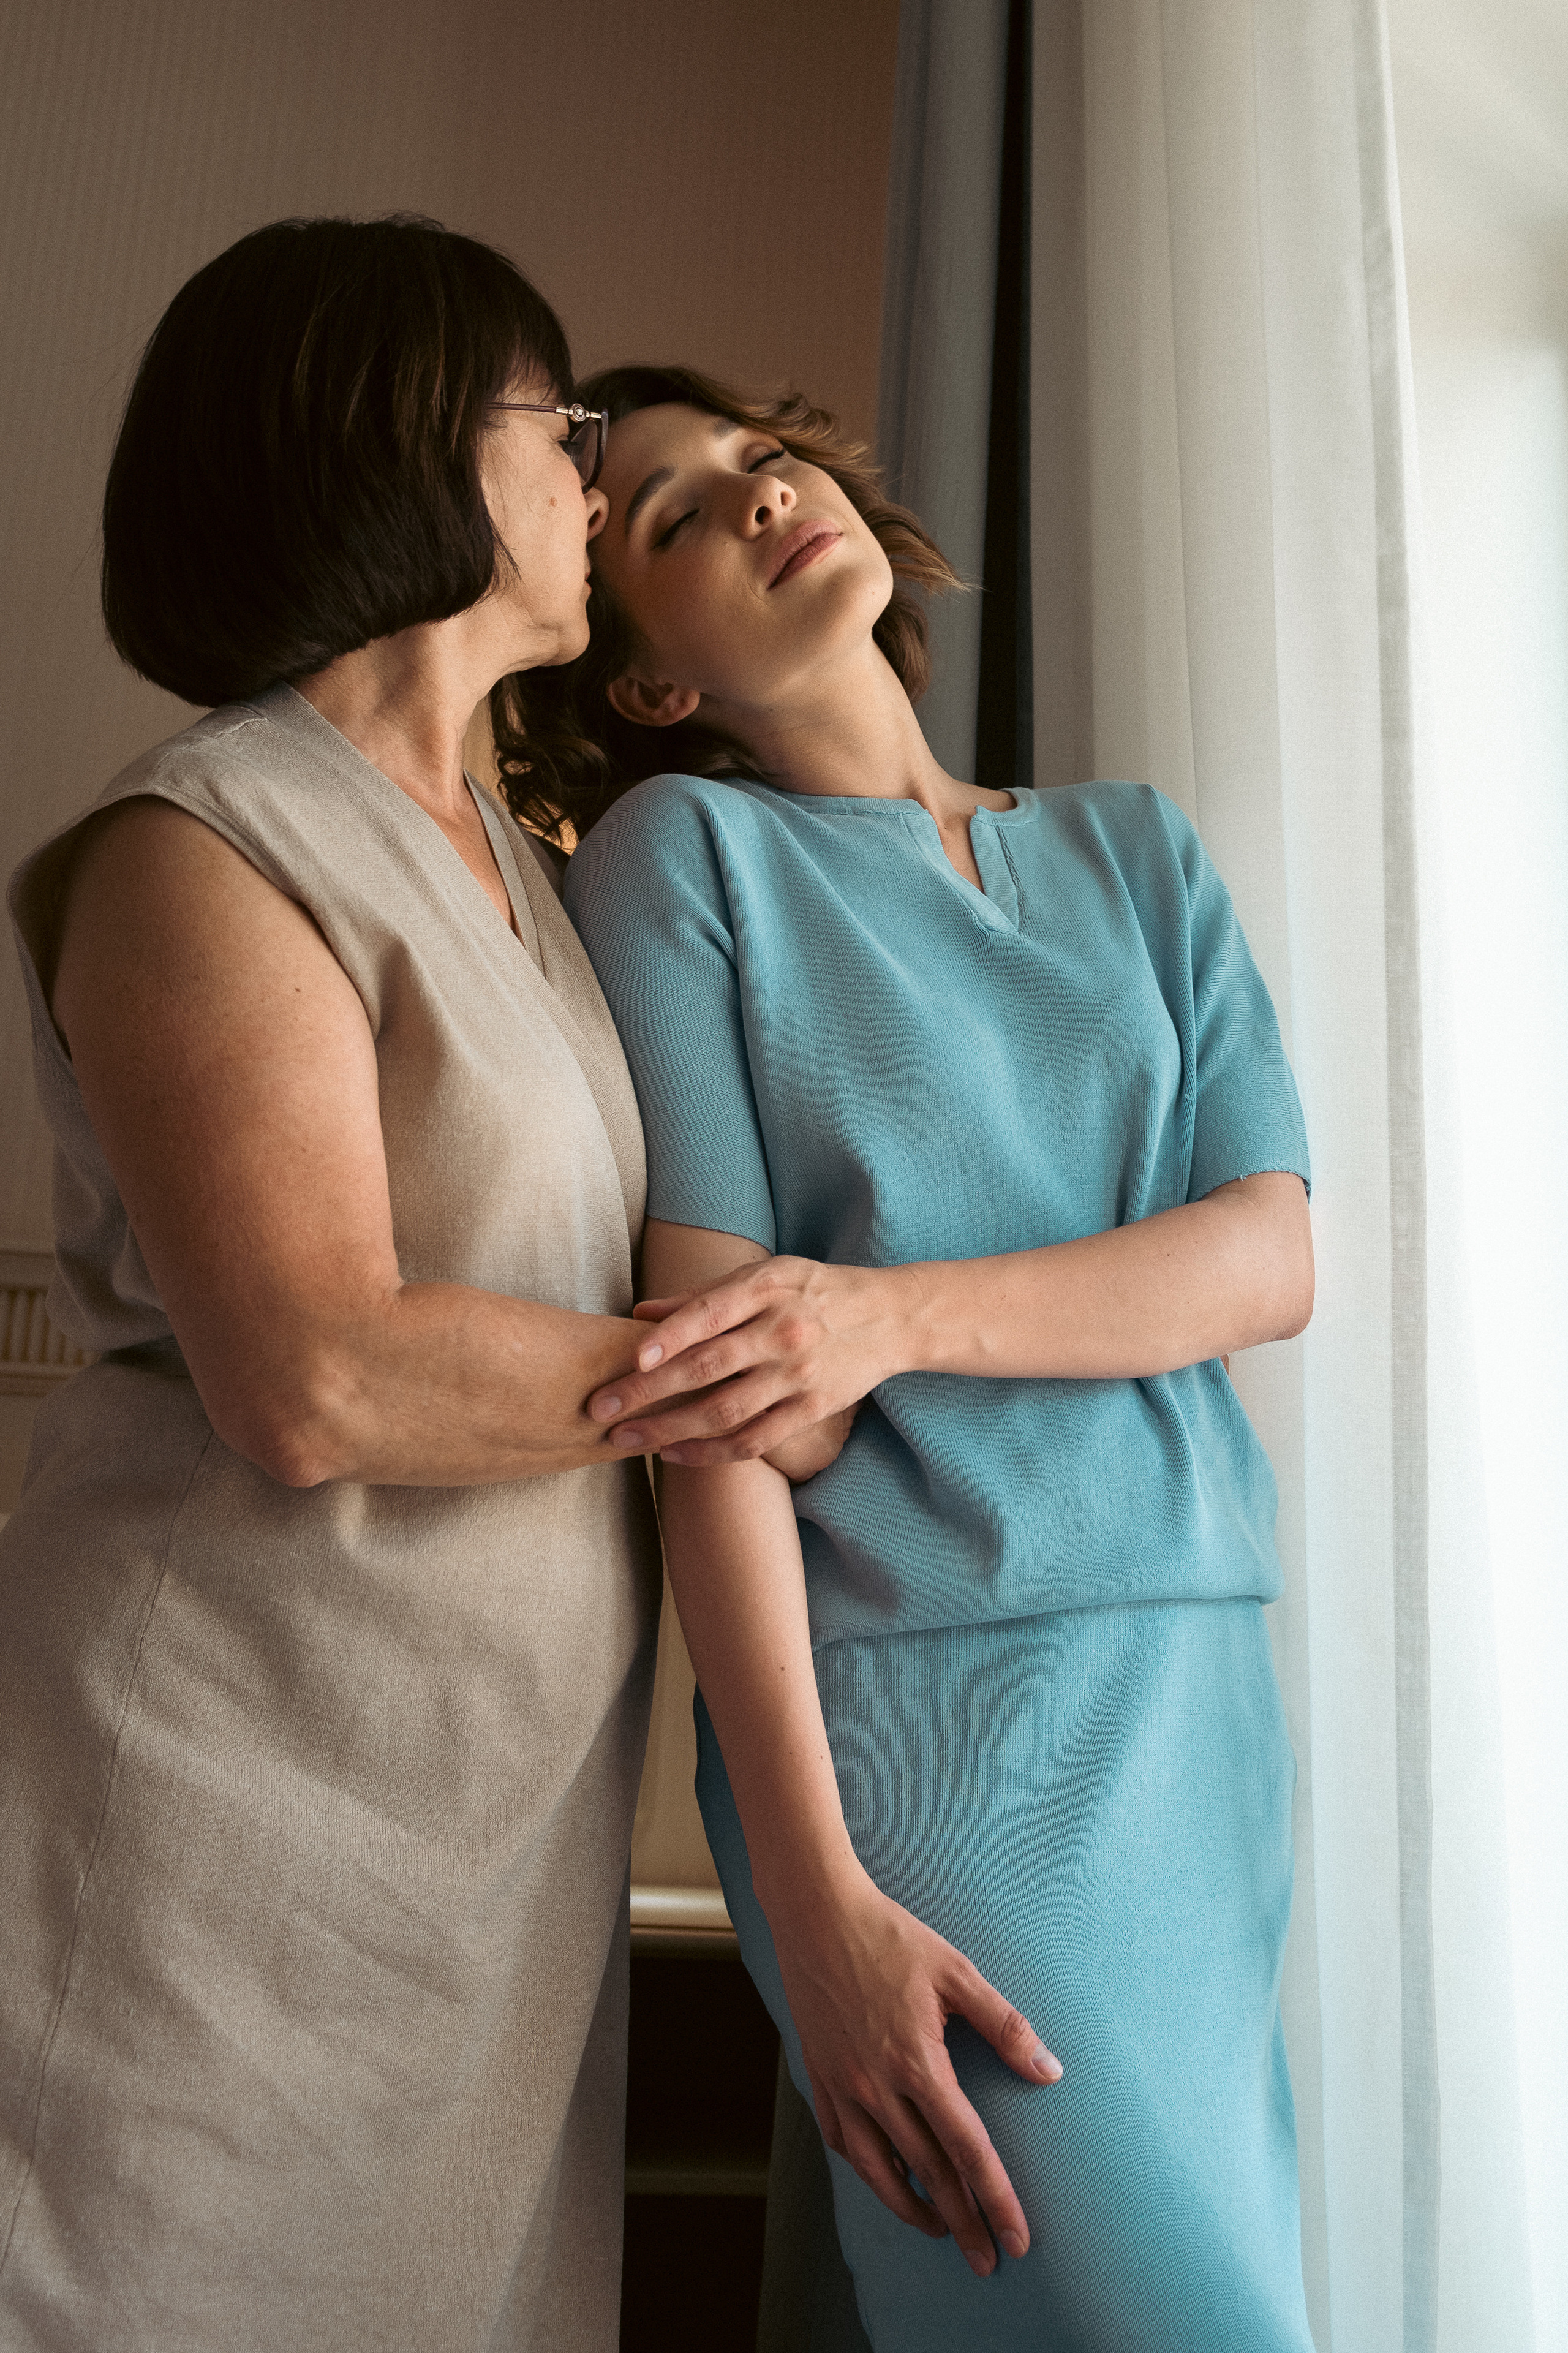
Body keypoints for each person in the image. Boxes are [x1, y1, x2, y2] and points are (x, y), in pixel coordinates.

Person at [0, 233, 853, 2353]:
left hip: (470, 1862)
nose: (588, 481)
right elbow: (316, 1371)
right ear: (406, 454)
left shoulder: (525, 863)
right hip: (210, 1817)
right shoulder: (206, 840)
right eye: (559, 430)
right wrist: (760, 1377)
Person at [494, 364, 1321, 2351]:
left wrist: (884, 1313)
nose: (755, 498)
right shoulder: (682, 864)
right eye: (675, 517)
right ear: (648, 687)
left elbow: (1265, 1257)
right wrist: (814, 1891)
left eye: (758, 462)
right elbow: (714, 1415)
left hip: (1197, 1694)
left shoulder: (1142, 856)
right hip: (930, 1747)